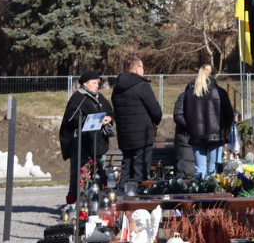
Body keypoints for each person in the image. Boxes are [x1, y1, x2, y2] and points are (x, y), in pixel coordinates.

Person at [58, 71, 113, 204]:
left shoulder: (99, 97)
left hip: (98, 145)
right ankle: (76, 207)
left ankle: (100, 204)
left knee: (102, 177)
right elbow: (70, 119)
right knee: (79, 178)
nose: (97, 86)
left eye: (98, 83)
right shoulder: (78, 98)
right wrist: (90, 120)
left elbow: (110, 111)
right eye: (94, 83)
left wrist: (109, 118)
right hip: (82, 146)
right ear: (85, 83)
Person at [112, 56, 162, 190]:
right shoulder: (141, 86)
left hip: (125, 136)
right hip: (142, 136)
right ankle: (138, 203)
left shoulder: (117, 88)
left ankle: (122, 200)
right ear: (137, 68)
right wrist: (155, 121)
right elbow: (156, 111)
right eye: (142, 66)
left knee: (126, 169)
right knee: (140, 173)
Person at [176, 64, 234, 177]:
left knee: (200, 170)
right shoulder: (220, 92)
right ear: (213, 76)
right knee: (214, 171)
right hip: (216, 136)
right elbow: (229, 114)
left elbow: (182, 114)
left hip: (196, 135)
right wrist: (224, 129)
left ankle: (201, 191)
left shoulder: (189, 93)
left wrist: (190, 128)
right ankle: (213, 193)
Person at [172, 92, 196, 178]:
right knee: (186, 168)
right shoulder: (184, 96)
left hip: (186, 137)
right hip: (185, 138)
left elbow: (178, 115)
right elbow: (178, 115)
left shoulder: (183, 96)